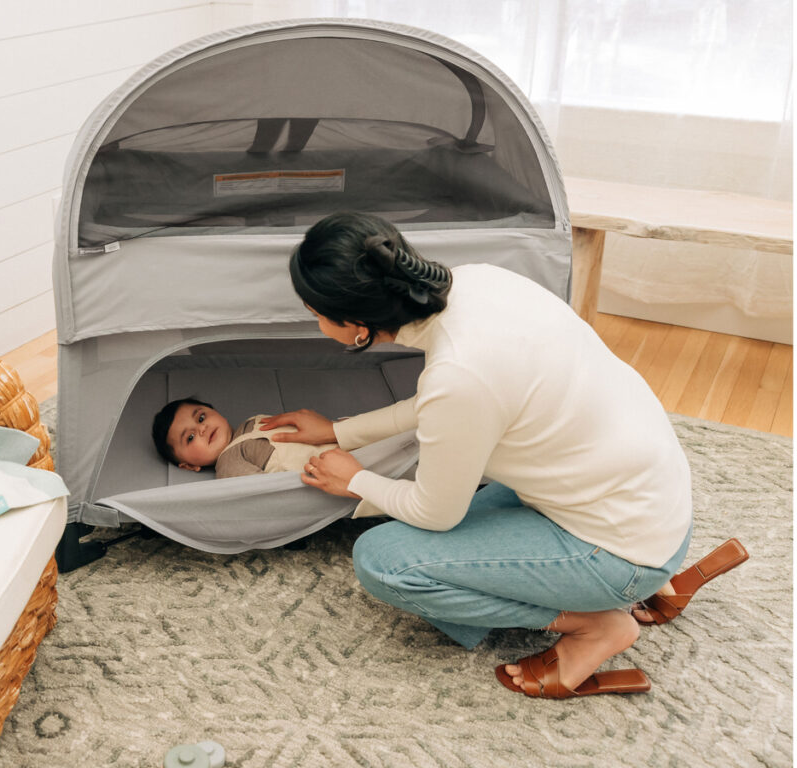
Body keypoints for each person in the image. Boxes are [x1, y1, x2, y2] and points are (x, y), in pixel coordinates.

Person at [260, 211, 748, 699]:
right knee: (469, 486)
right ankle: (642, 586)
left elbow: (436, 512)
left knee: (383, 560)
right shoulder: (482, 281)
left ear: (358, 326)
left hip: (622, 552)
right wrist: (340, 432)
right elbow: (446, 402)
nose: (317, 323)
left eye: (316, 314)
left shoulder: (458, 376)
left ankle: (594, 624)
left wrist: (356, 480)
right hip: (654, 504)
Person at [151, 398, 337, 479]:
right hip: (329, 464)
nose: (202, 428)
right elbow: (264, 493)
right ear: (190, 466)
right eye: (190, 437)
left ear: (215, 411)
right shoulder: (228, 464)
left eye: (201, 417)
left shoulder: (251, 421)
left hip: (336, 432)